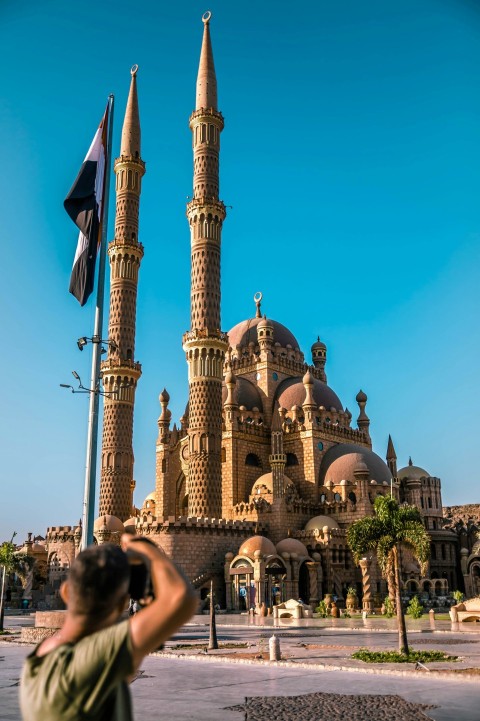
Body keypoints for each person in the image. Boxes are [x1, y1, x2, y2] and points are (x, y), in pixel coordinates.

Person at [20, 535, 197, 721]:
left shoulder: (38, 660)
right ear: (122, 604)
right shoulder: (95, 659)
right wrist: (144, 547)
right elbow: (180, 599)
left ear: (66, 591)